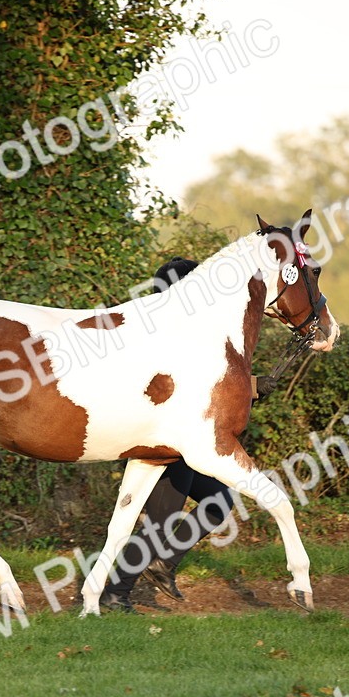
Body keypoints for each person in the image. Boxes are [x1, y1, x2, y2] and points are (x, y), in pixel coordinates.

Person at [100, 257, 279, 612]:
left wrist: (253, 385)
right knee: (160, 522)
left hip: (185, 443)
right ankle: (115, 594)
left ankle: (163, 563)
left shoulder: (184, 332)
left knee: (218, 501)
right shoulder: (161, 335)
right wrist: (252, 386)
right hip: (161, 445)